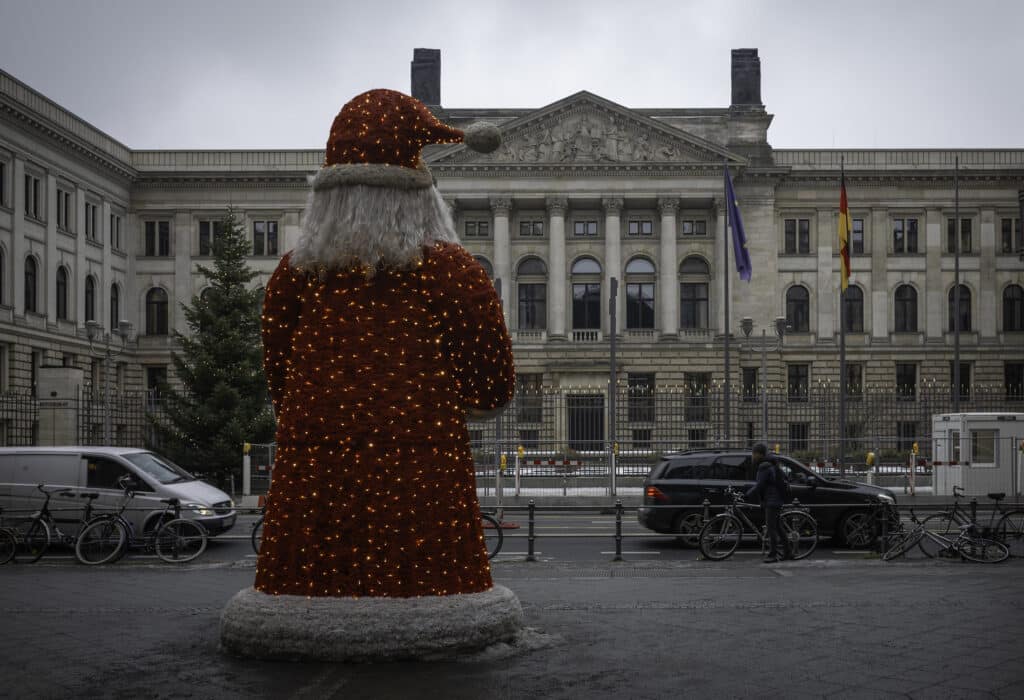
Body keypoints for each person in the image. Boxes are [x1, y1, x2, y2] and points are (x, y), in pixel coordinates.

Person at [254, 89, 512, 598]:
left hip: (314, 486)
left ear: (327, 194)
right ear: (420, 194)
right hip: (422, 490)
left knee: (309, 580)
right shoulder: (450, 270)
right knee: (426, 579)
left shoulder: (294, 274)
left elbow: (279, 379)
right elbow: (490, 386)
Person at [746, 443, 791, 563]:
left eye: (753, 453)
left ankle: (773, 555)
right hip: (776, 499)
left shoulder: (764, 466)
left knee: (771, 529)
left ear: (758, 454)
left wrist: (747, 494)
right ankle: (788, 552)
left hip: (772, 500)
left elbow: (760, 485)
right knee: (778, 527)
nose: (752, 456)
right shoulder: (771, 463)